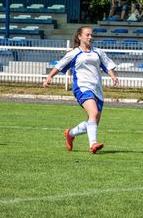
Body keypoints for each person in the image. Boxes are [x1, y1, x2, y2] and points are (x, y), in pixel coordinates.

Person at [43, 26, 119, 154]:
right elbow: (60, 65)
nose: (90, 37)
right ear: (79, 37)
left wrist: (113, 76)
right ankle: (93, 144)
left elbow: (107, 65)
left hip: (97, 89)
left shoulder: (97, 52)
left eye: (91, 35)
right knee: (93, 113)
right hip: (82, 88)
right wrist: (49, 77)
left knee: (93, 120)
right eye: (87, 35)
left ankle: (70, 134)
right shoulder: (74, 53)